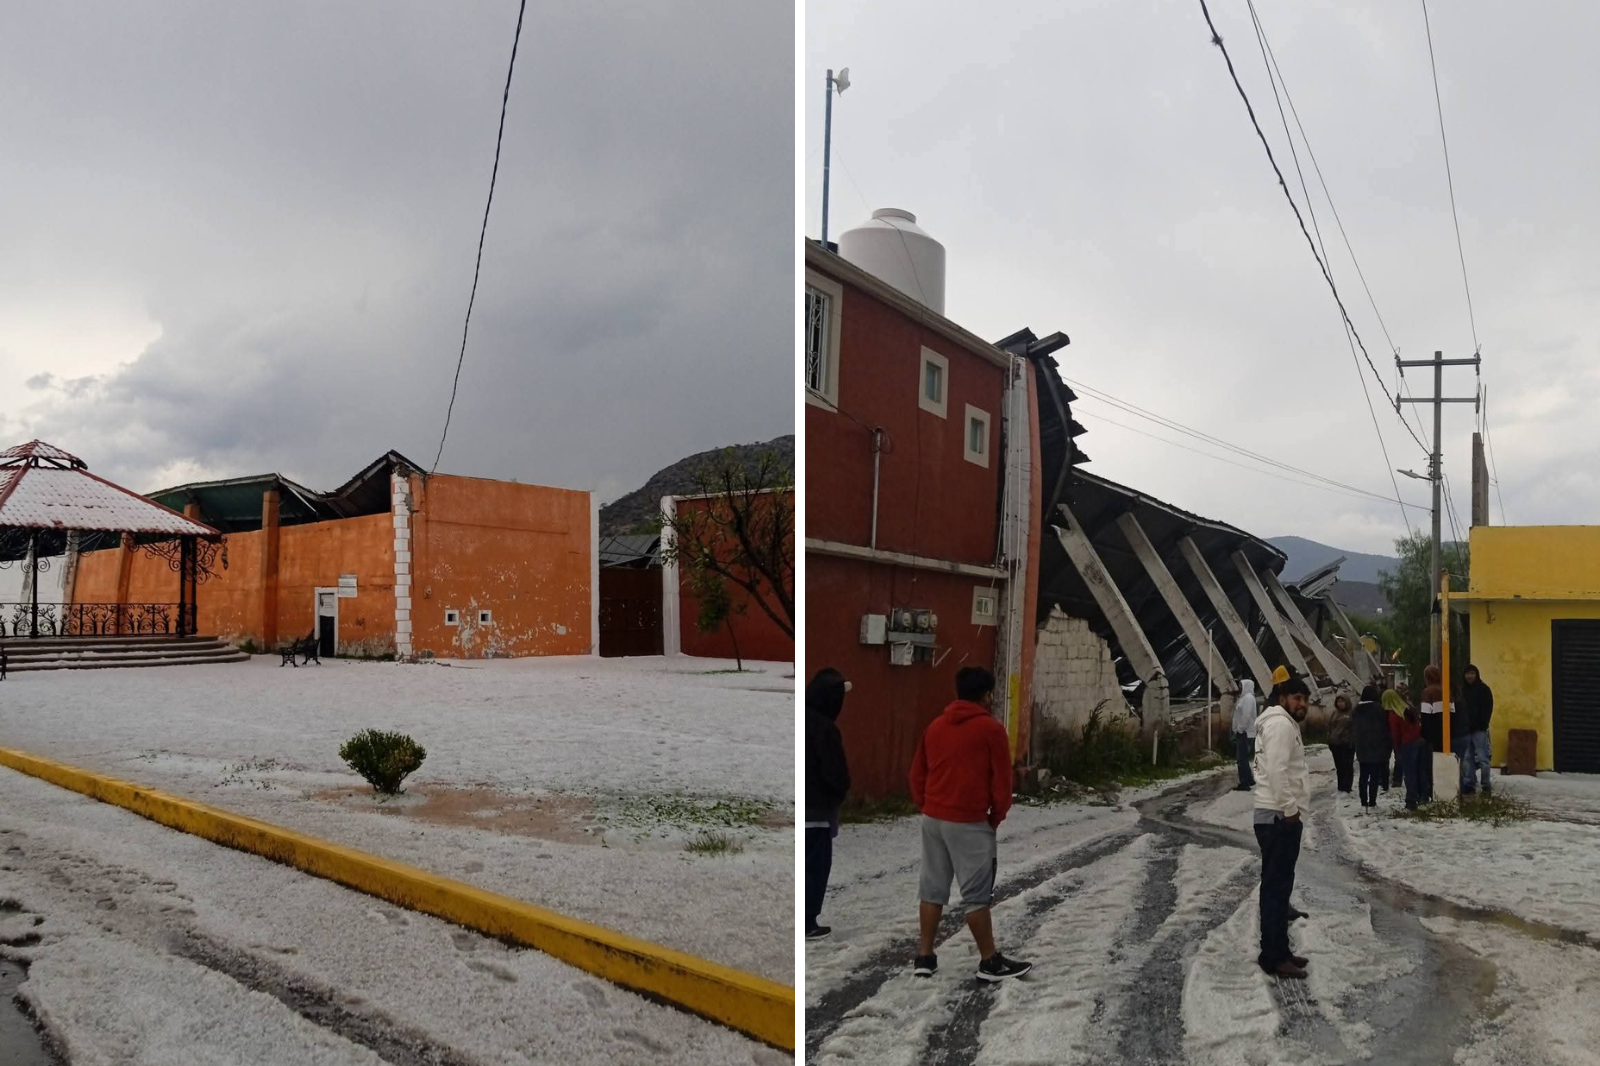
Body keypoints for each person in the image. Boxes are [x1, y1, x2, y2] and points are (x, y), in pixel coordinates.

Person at [909, 667, 1032, 982]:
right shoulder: (990, 730)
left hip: (933, 819)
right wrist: (994, 818)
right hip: (969, 822)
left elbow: (917, 775)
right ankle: (989, 961)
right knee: (976, 894)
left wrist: (928, 805)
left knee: (933, 887)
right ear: (986, 695)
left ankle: (925, 955)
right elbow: (1002, 784)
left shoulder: (935, 727)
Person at [1252, 676, 1312, 979]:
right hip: (1278, 817)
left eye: (1305, 699)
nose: (1302, 704)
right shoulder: (1280, 725)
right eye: (1296, 697)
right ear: (1283, 698)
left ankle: (1279, 951)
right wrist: (1290, 810)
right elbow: (1276, 770)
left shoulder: (1278, 722)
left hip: (1274, 814)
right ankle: (1273, 956)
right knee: (1276, 890)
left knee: (1277, 887)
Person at [805, 669, 851, 940]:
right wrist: (839, 792)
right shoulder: (826, 729)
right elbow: (836, 773)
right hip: (818, 811)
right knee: (815, 868)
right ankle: (808, 921)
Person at [1351, 684, 1392, 810]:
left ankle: (1363, 801)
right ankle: (1372, 801)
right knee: (1374, 776)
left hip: (1362, 748)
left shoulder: (1356, 709)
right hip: (1376, 747)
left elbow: (1353, 728)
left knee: (1363, 776)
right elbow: (1385, 728)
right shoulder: (1378, 708)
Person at [1457, 664, 1495, 797]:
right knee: (1468, 759)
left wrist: (1483, 724)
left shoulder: (1484, 690)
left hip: (1479, 730)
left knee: (1483, 759)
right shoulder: (1462, 690)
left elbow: (1488, 708)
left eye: (1472, 673)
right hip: (1466, 730)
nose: (1469, 676)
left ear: (1476, 674)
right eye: (1467, 673)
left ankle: (1486, 785)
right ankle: (1469, 784)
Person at [1388, 689, 1427, 810]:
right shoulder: (1409, 708)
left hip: (1407, 744)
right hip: (1420, 741)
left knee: (1409, 773)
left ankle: (1411, 800)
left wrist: (1397, 749)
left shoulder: (1394, 714)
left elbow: (1395, 734)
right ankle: (1424, 796)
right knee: (1421, 771)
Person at [1417, 666, 1444, 803]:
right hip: (1444, 735)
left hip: (1430, 736)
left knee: (1427, 766)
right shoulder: (1446, 691)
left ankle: (1426, 795)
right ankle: (1439, 793)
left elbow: (1426, 715)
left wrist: (1423, 734)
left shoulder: (1428, 692)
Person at [1231, 679, 1258, 791]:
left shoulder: (1247, 699)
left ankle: (1244, 783)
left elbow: (1245, 716)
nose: (1240, 688)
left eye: (1241, 685)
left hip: (1245, 732)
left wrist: (1240, 729)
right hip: (1247, 732)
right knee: (1244, 758)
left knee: (1241, 759)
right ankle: (1249, 779)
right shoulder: (1246, 698)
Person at [1327, 693, 1355, 794]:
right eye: (1338, 701)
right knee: (1339, 766)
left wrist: (1352, 741)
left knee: (1347, 765)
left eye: (1342, 701)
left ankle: (1347, 787)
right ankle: (1341, 787)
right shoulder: (1335, 713)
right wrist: (1329, 740)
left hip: (1347, 743)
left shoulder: (1351, 713)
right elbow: (1330, 727)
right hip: (1335, 743)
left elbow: (1354, 729)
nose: (1340, 704)